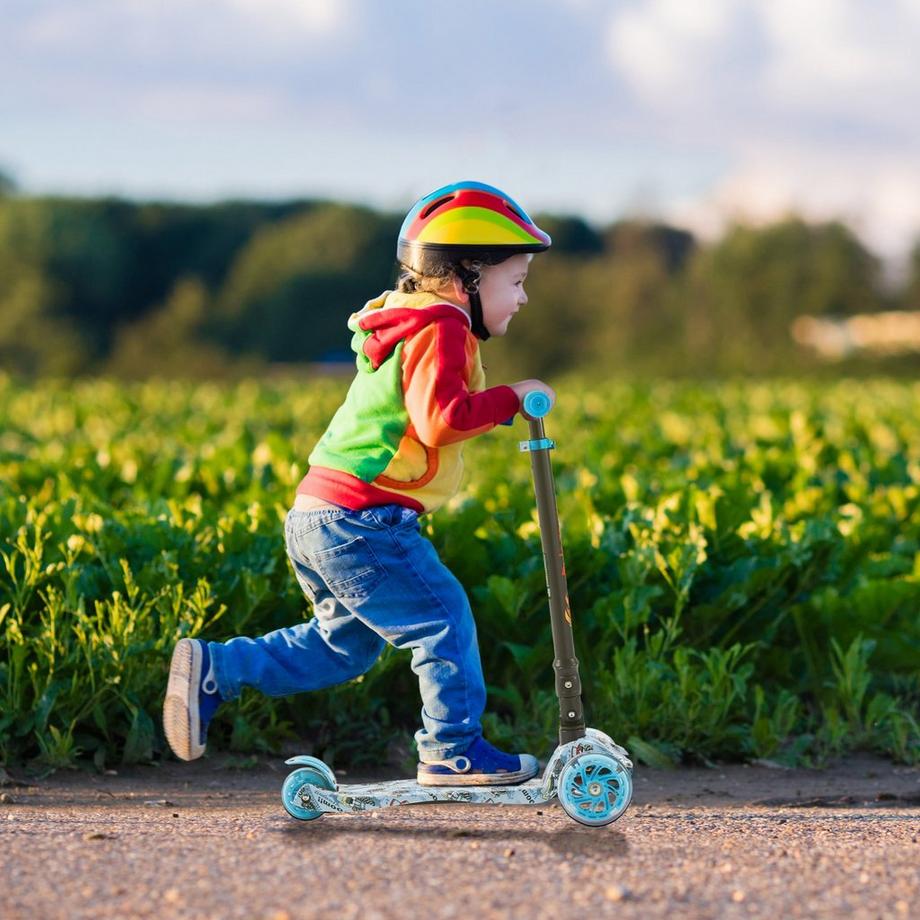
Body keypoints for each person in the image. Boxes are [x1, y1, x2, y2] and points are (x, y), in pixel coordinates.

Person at [163, 180, 556, 786]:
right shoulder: (443, 324)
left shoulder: (410, 321)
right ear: (467, 275)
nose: (525, 298)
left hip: (320, 513)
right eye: (517, 280)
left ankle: (216, 668)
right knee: (443, 620)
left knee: (341, 648)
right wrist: (514, 397)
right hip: (363, 520)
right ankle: (453, 750)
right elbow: (441, 418)